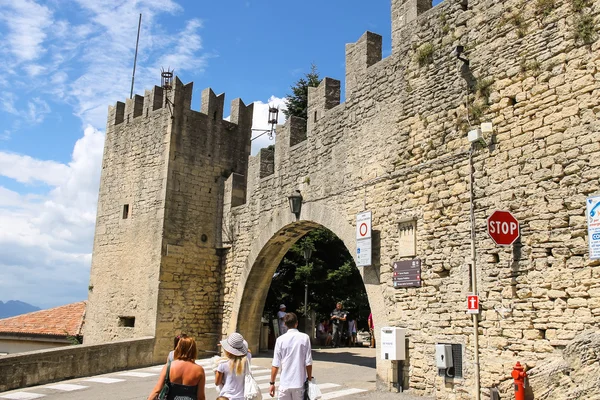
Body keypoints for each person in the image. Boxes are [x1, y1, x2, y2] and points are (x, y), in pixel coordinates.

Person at [147, 334, 206, 400]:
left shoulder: (169, 367)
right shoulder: (199, 370)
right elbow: (201, 396)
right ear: (193, 350)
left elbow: (157, 390)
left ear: (178, 348)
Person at [269, 313, 313, 400]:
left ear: (285, 324)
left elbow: (275, 364)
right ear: (296, 323)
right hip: (299, 382)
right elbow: (308, 362)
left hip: (285, 383)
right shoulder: (305, 338)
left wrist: (272, 383)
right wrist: (309, 379)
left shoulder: (280, 340)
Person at [215, 332, 248, 400]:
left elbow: (217, 382)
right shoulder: (246, 360)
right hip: (242, 397)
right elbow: (248, 351)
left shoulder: (223, 363)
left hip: (226, 396)